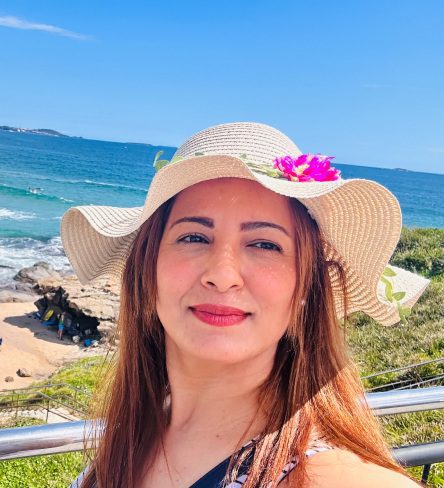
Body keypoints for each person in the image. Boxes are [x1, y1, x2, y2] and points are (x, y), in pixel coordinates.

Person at [60, 122, 430, 487]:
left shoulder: (335, 478)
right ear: (147, 269)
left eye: (265, 244)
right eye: (193, 237)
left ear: (305, 286)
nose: (223, 275)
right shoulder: (126, 446)